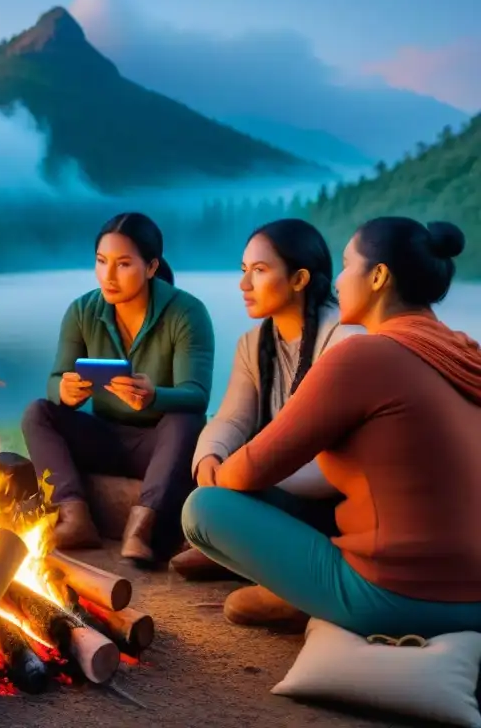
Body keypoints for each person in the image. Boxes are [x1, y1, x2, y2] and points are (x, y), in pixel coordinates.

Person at [183, 217, 481, 638]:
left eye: (346, 263)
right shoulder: (463, 351)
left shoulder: (361, 355)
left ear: (378, 276)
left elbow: (251, 469)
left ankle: (299, 598)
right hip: (475, 600)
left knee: (204, 508)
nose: (338, 280)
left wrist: (217, 477)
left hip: (399, 600)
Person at [171, 219, 361, 580]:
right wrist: (210, 459)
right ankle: (239, 550)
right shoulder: (253, 343)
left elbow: (333, 464)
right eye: (244, 270)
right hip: (270, 480)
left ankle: (247, 556)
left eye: (259, 270)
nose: (244, 284)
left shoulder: (344, 340)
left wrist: (245, 477)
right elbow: (232, 419)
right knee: (205, 488)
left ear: (299, 279)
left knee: (216, 504)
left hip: (330, 501)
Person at [21, 212, 214, 562]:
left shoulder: (186, 313)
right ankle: (73, 517)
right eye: (101, 261)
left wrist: (154, 395)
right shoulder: (82, 311)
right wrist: (64, 392)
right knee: (38, 412)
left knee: (185, 420)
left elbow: (197, 393)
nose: (108, 276)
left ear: (152, 266)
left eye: (123, 264)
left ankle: (141, 530)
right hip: (104, 436)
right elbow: (55, 379)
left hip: (160, 443)